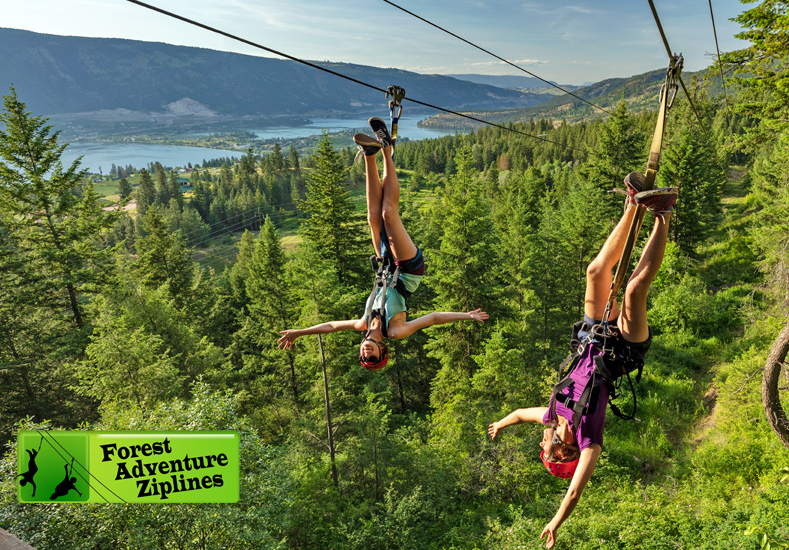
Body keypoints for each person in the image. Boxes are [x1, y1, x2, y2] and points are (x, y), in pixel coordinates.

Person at [487, 173, 677, 548]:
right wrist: (557, 521)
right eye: (568, 454)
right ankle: (663, 214)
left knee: (595, 271)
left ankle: (633, 205)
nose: (567, 449)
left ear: (548, 443)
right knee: (633, 291)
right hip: (621, 351)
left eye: (559, 452)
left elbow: (522, 414)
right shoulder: (591, 439)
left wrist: (500, 424)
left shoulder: (550, 416)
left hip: (591, 339)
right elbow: (574, 493)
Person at [277, 117, 489, 370]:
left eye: (364, 357)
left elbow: (332, 326)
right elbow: (432, 318)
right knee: (389, 213)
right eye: (373, 358)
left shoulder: (364, 323)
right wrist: (467, 315)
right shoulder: (396, 331)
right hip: (408, 271)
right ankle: (386, 152)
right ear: (383, 350)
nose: (367, 354)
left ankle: (369, 154)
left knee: (372, 217)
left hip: (385, 266)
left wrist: (299, 332)